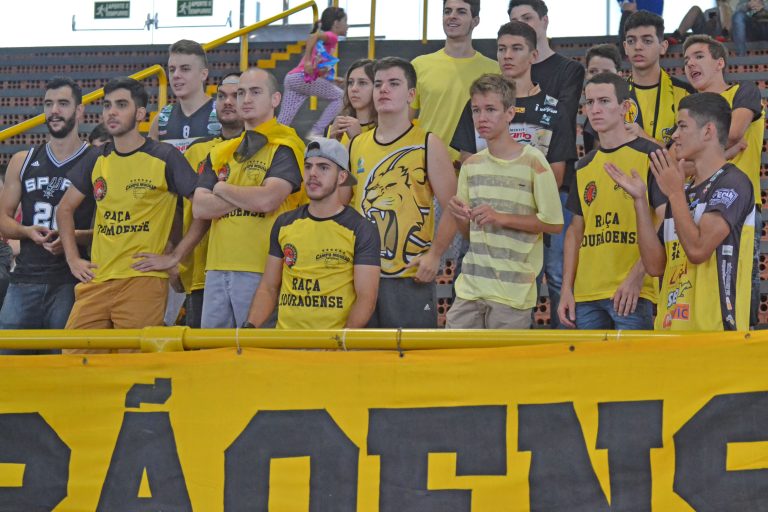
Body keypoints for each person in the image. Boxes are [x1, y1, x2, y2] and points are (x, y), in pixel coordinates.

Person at [56, 77, 207, 334]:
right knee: (75, 352)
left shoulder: (164, 156)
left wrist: (175, 256)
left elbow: (204, 210)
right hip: (96, 279)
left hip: (142, 279)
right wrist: (73, 259)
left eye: (122, 105)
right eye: (107, 105)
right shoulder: (96, 157)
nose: (111, 112)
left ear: (140, 113)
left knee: (133, 354)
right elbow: (64, 209)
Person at [607, 92, 756, 330]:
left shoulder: (733, 182)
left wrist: (675, 193)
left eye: (682, 126)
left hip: (714, 334)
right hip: (670, 331)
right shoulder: (681, 190)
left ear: (708, 131)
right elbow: (655, 266)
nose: (675, 135)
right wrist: (640, 201)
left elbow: (698, 250)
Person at [345, 57, 458, 328]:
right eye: (378, 84)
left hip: (409, 275)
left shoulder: (428, 143)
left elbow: (455, 207)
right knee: (362, 352)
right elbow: (344, 206)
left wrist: (435, 254)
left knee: (410, 352)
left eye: (394, 83)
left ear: (411, 95)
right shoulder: (356, 144)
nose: (383, 90)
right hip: (362, 273)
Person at [446, 73, 562, 329]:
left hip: (513, 294)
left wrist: (501, 218)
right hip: (469, 289)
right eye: (476, 110)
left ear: (510, 113)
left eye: (490, 109)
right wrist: (459, 216)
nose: (481, 117)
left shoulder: (534, 161)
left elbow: (554, 223)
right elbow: (469, 233)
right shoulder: (471, 165)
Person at [193, 68, 306, 329]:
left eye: (255, 92)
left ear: (275, 99)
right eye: (241, 93)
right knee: (213, 350)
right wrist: (249, 193)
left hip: (263, 267)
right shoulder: (221, 151)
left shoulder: (285, 146)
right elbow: (199, 207)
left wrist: (221, 188)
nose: (245, 99)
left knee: (256, 348)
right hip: (217, 266)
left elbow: (267, 200)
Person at [558, 73, 665, 330]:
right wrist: (566, 288)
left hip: (632, 292)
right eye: (590, 102)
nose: (595, 109)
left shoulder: (650, 154)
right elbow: (575, 232)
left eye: (604, 101)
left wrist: (637, 276)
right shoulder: (584, 165)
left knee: (631, 359)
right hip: (586, 294)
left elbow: (664, 220)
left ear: (625, 107)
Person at [245, 138, 380, 329]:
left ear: (342, 177)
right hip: (286, 342)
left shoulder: (361, 228)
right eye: (308, 167)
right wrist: (250, 327)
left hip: (331, 344)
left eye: (323, 167)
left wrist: (340, 341)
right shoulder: (284, 223)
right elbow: (268, 288)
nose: (313, 173)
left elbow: (366, 298)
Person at [508, 0, 585, 328]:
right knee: (517, 274)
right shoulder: (506, 69)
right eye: (514, 19)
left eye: (527, 18)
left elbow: (561, 119)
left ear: (544, 21)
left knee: (556, 272)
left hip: (557, 181)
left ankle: (563, 342)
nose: (521, 24)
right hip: (511, 187)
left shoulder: (568, 70)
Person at [0, 77, 94, 342]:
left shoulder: (97, 161)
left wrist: (72, 237)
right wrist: (26, 231)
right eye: (48, 104)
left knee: (62, 359)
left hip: (71, 280)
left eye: (63, 103)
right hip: (24, 278)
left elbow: (108, 229)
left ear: (79, 111)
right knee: (7, 360)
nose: (54, 110)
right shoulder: (23, 160)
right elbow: (3, 219)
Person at [683, 34, 765, 327]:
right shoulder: (688, 107)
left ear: (720, 63)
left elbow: (733, 132)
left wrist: (697, 156)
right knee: (694, 285)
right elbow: (677, 162)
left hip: (739, 206)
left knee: (741, 285)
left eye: (699, 56)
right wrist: (727, 153)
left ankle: (745, 343)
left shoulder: (743, 91)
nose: (690, 64)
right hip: (694, 204)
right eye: (686, 60)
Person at [178, 72, 245, 328]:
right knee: (202, 349)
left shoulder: (270, 148)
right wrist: (176, 258)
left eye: (236, 95)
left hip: (251, 267)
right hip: (201, 271)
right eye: (221, 96)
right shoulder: (196, 151)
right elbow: (180, 210)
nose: (228, 102)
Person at [411, 0, 498, 157]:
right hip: (426, 163)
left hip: (476, 163)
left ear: (475, 21)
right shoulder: (419, 65)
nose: (452, 16)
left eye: (461, 12)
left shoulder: (494, 70)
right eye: (447, 11)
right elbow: (404, 121)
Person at [623, 10, 694, 146]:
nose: (638, 47)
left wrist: (644, 137)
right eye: (631, 41)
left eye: (647, 41)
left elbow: (687, 151)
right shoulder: (614, 94)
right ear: (625, 47)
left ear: (663, 47)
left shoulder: (685, 94)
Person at [277, 7, 347, 138]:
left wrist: (333, 79)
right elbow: (313, 36)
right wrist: (308, 61)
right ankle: (317, 131)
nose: (347, 26)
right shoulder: (332, 37)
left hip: (292, 79)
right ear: (336, 23)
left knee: (283, 122)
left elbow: (317, 70)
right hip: (302, 78)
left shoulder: (327, 43)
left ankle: (271, 139)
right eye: (345, 21)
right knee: (340, 97)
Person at [150, 39, 220, 151]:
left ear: (203, 74)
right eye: (172, 70)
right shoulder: (161, 119)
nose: (176, 75)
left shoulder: (222, 113)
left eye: (185, 69)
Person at [582, 44, 622, 153]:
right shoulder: (592, 110)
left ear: (619, 75)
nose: (598, 77)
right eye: (593, 71)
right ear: (586, 74)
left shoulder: (629, 111)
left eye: (606, 72)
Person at [326, 59, 376, 146]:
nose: (353, 88)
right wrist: (331, 143)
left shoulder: (387, 130)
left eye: (362, 83)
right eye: (350, 82)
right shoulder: (334, 128)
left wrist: (357, 139)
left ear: (377, 87)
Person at [667, 1, 733, 44]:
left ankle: (725, 34)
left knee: (725, 6)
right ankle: (677, 35)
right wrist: (711, 22)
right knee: (695, 8)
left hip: (723, 33)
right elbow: (710, 22)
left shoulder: (729, 10)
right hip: (705, 32)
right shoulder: (711, 11)